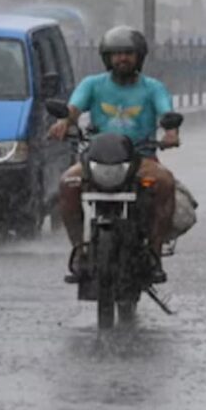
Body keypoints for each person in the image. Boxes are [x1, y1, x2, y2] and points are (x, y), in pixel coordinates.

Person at [47, 26, 179, 284]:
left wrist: (171, 132)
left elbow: (166, 113)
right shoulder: (92, 84)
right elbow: (73, 109)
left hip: (141, 159)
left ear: (139, 57)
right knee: (68, 184)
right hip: (96, 159)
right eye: (116, 54)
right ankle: (80, 251)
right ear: (106, 58)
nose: (122, 59)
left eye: (128, 53)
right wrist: (64, 123)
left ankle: (154, 253)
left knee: (165, 183)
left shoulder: (153, 88)